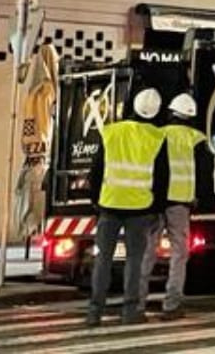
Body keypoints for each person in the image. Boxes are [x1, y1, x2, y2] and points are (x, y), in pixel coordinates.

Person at [86, 87, 166, 327]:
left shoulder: (110, 132)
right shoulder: (156, 137)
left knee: (103, 260)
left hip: (109, 205)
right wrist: (158, 207)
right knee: (134, 260)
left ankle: (94, 312)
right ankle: (130, 312)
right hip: (140, 208)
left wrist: (95, 201)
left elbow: (96, 171)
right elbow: (162, 178)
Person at [157, 92, 210, 320]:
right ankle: (171, 304)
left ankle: (136, 305)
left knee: (147, 252)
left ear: (171, 112)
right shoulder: (197, 139)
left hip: (156, 202)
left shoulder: (157, 135)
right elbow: (206, 173)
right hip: (181, 203)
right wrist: (200, 197)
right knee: (179, 254)